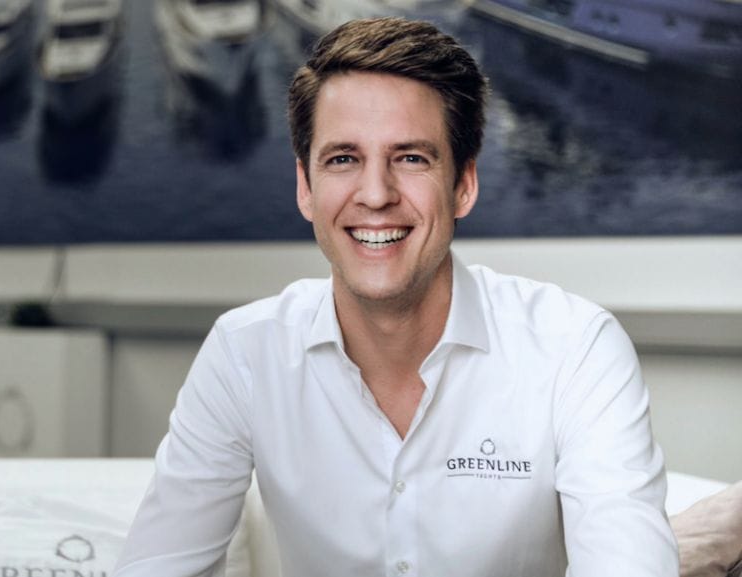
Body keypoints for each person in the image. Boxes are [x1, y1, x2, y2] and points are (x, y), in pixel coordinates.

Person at [113, 17, 678, 577]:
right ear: (305, 188)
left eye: (411, 158)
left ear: (463, 185)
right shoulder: (244, 354)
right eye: (343, 159)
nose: (376, 194)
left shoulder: (574, 348)